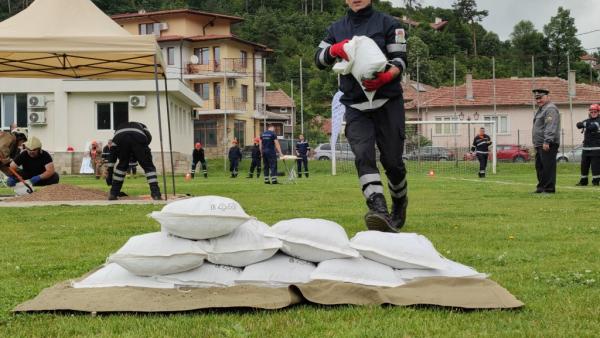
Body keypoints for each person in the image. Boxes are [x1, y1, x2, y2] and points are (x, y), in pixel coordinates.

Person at [314, 0, 408, 232]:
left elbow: (400, 61)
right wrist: (333, 50)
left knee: (393, 162)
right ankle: (378, 210)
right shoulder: (336, 29)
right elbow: (318, 59)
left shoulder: (390, 23)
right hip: (355, 106)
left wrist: (386, 77)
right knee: (363, 156)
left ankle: (399, 203)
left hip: (388, 102)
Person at [106, 121, 161, 200]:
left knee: (122, 166)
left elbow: (112, 155)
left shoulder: (118, 131)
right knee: (149, 167)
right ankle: (156, 194)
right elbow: (149, 138)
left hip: (121, 140)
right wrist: (140, 152)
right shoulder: (142, 125)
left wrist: (110, 174)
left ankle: (113, 194)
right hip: (139, 138)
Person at [532, 88, 560, 194]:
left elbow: (550, 126)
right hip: (539, 143)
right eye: (537, 98)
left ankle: (549, 188)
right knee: (540, 166)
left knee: (548, 166)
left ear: (548, 97)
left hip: (547, 143)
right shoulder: (541, 109)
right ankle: (541, 187)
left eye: (541, 98)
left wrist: (547, 141)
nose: (538, 100)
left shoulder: (550, 109)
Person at [575, 104, 600, 186]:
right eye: (591, 111)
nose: (593, 113)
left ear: (598, 112)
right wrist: (584, 124)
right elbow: (578, 125)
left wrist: (584, 124)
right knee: (584, 165)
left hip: (596, 148)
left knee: (595, 166)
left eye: (595, 111)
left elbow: (592, 127)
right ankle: (583, 181)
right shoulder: (588, 120)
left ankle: (596, 181)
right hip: (586, 148)